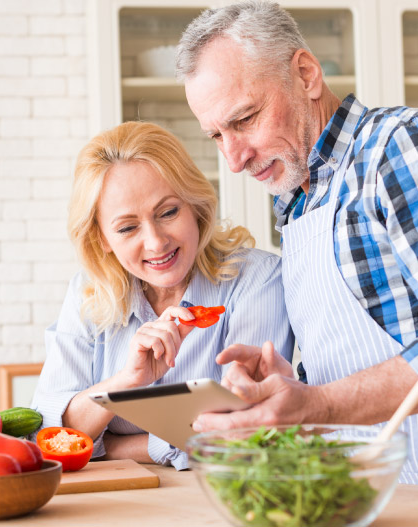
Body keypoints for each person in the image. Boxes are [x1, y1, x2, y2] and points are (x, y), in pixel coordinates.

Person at [176, 0, 418, 483]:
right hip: (363, 495)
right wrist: (291, 387)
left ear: (306, 74)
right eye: (217, 136)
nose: (235, 160)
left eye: (244, 119)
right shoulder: (297, 198)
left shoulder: (397, 148)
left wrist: (318, 403)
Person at [31, 120, 294, 470]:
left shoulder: (257, 279)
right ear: (102, 240)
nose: (156, 242)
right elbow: (51, 435)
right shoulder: (88, 293)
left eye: (168, 212)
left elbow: (244, 434)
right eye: (127, 227)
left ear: (195, 206)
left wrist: (112, 445)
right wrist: (126, 383)